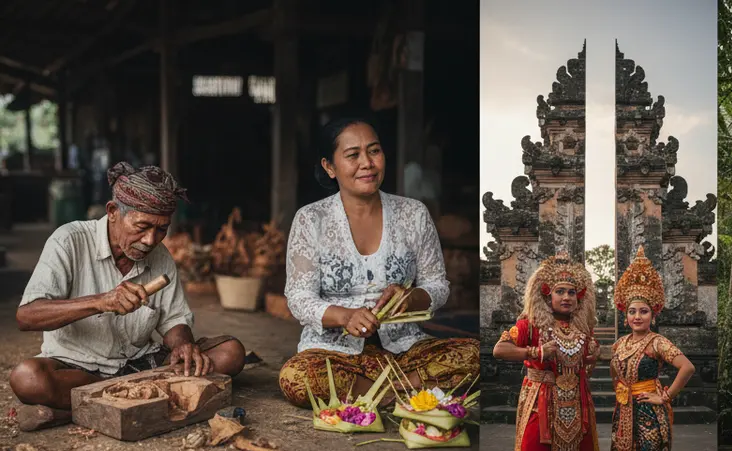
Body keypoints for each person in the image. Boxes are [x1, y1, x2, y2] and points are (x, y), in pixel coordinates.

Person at [11, 163, 246, 431]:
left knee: (231, 353)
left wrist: (182, 345)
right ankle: (142, 397)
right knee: (28, 378)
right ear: (112, 212)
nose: (150, 240)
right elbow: (26, 315)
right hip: (78, 369)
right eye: (142, 226)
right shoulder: (68, 241)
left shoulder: (160, 256)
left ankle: (83, 407)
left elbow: (173, 319)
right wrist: (100, 301)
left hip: (140, 366)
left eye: (161, 229)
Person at [278, 118, 478, 410]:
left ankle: (382, 393)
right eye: (353, 155)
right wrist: (345, 316)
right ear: (329, 167)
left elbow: (437, 285)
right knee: (296, 377)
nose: (367, 163)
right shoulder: (311, 219)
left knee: (476, 355)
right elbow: (299, 298)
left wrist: (412, 298)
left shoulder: (414, 214)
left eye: (374, 151)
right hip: (335, 352)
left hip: (405, 349)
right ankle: (412, 392)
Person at [492, 253, 599, 451]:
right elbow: (500, 349)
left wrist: (594, 356)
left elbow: (585, 362)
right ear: (547, 294)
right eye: (560, 291)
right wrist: (536, 351)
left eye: (572, 292)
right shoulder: (529, 324)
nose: (566, 297)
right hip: (541, 400)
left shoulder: (583, 326)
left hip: (577, 401)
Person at [608, 246, 695, 451]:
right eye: (632, 312)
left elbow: (687, 367)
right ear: (625, 317)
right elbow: (615, 372)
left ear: (653, 316)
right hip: (624, 412)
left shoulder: (657, 342)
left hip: (649, 413)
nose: (637, 317)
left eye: (643, 312)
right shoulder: (619, 344)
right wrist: (621, 391)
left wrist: (664, 396)